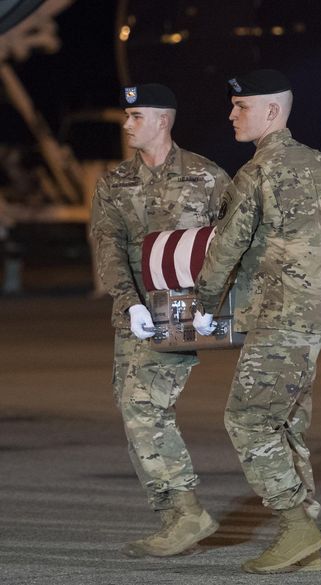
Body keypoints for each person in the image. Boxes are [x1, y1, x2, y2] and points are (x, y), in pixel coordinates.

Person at [191, 69, 321, 574]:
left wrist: (204, 304)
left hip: (275, 316)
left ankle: (296, 526)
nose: (231, 114)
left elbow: (225, 248)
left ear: (271, 112)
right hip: (311, 316)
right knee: (286, 422)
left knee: (247, 419)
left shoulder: (257, 173)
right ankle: (304, 542)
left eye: (241, 106)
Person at [89, 83, 230, 557]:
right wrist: (128, 302)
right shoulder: (114, 183)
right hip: (134, 311)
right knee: (134, 409)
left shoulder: (207, 177)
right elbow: (107, 247)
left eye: (135, 116)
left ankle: (187, 510)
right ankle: (173, 514)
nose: (127, 124)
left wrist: (217, 304)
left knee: (142, 406)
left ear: (163, 120)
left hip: (182, 305)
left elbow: (233, 245)